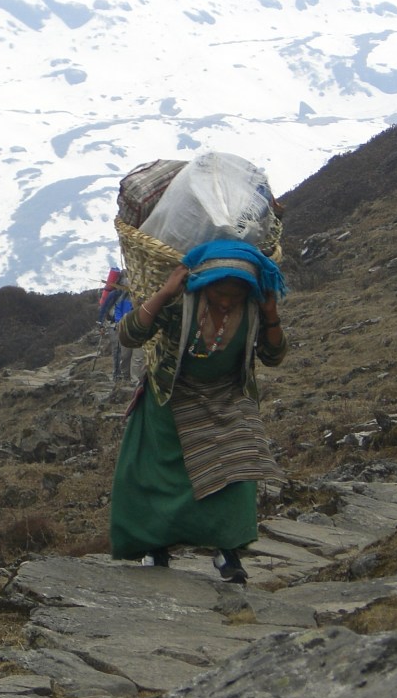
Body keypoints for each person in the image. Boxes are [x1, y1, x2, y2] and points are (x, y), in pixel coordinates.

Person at [109, 239, 287, 584]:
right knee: (155, 475)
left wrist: (270, 314)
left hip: (227, 393)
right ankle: (154, 546)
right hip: (171, 391)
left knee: (237, 464)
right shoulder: (181, 302)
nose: (225, 301)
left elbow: (274, 356)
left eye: (234, 295)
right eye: (219, 293)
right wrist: (162, 293)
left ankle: (227, 551)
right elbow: (129, 335)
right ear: (204, 285)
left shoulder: (251, 308)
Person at [98, 271, 134, 384]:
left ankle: (123, 375)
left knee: (122, 350)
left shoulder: (130, 294)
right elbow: (105, 308)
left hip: (124, 324)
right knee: (117, 349)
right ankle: (117, 375)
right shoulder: (115, 294)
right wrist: (100, 324)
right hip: (114, 324)